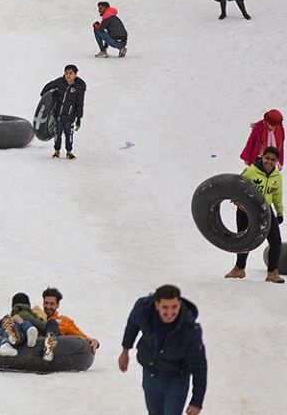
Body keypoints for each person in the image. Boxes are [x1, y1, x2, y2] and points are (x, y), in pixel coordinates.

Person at [119, 285, 207, 415]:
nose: (170, 313)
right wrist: (125, 350)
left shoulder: (190, 330)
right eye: (165, 307)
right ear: (156, 305)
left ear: (179, 304)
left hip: (176, 379)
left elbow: (199, 366)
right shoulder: (142, 309)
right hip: (151, 374)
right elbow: (132, 324)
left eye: (174, 307)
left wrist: (196, 401)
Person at [225, 146, 284, 283]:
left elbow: (277, 195)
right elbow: (238, 187)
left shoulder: (277, 176)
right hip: (245, 211)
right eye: (267, 158)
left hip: (265, 210)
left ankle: (272, 273)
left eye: (273, 160)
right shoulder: (251, 171)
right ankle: (239, 269)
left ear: (276, 162)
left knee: (276, 241)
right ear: (262, 157)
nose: (269, 162)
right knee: (245, 240)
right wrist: (236, 200)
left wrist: (279, 212)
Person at [40, 287, 100, 362]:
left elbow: (79, 336)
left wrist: (93, 341)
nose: (48, 306)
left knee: (52, 322)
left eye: (52, 304)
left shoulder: (64, 321)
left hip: (56, 350)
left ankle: (49, 347)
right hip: (36, 346)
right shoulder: (36, 316)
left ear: (57, 305)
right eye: (46, 303)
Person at [40, 65, 86, 159]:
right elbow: (49, 85)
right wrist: (44, 97)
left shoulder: (78, 88)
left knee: (69, 134)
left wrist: (79, 118)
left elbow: (79, 103)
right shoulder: (60, 82)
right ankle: (57, 151)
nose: (68, 75)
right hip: (58, 115)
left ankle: (69, 151)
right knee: (57, 133)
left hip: (70, 117)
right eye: (66, 73)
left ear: (75, 75)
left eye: (71, 73)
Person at [0, 293, 48, 357]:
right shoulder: (31, 315)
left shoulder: (9, 317)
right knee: (20, 329)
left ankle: (7, 343)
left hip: (8, 332)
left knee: (11, 325)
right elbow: (39, 324)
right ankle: (26, 332)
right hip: (23, 334)